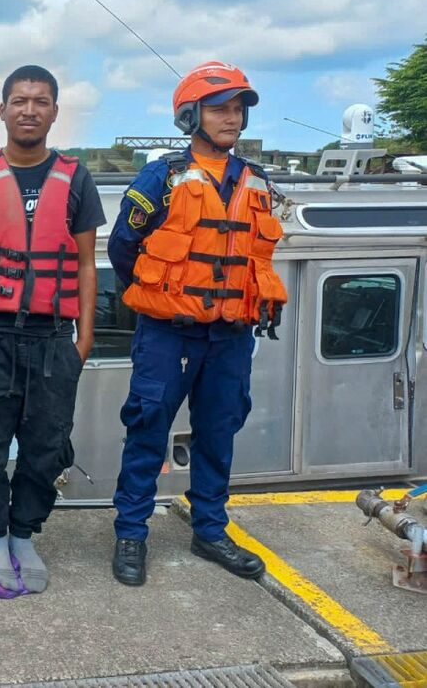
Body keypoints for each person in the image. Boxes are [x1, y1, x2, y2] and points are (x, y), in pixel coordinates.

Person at [107, 61, 288, 586]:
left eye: (237, 109)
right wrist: (160, 297)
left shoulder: (257, 181)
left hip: (231, 336)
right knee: (147, 429)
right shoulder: (161, 177)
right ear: (192, 115)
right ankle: (131, 535)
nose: (231, 118)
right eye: (219, 108)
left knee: (218, 433)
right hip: (168, 333)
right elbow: (124, 247)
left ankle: (210, 530)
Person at [0, 65, 104, 593]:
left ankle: (23, 533)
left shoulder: (76, 179)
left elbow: (86, 263)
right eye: (19, 100)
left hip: (54, 338)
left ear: (55, 111)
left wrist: (84, 339)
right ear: (2, 110)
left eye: (40, 101)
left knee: (45, 446)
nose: (29, 110)